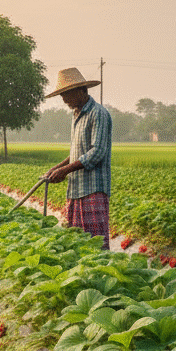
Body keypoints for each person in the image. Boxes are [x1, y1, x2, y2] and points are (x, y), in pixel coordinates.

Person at [42, 67, 112, 249]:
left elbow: (97, 152)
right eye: (62, 95)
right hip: (76, 190)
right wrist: (57, 168)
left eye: (66, 94)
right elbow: (76, 152)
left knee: (95, 246)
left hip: (93, 190)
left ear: (81, 91)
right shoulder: (76, 115)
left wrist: (65, 170)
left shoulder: (98, 113)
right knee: (77, 245)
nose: (63, 99)